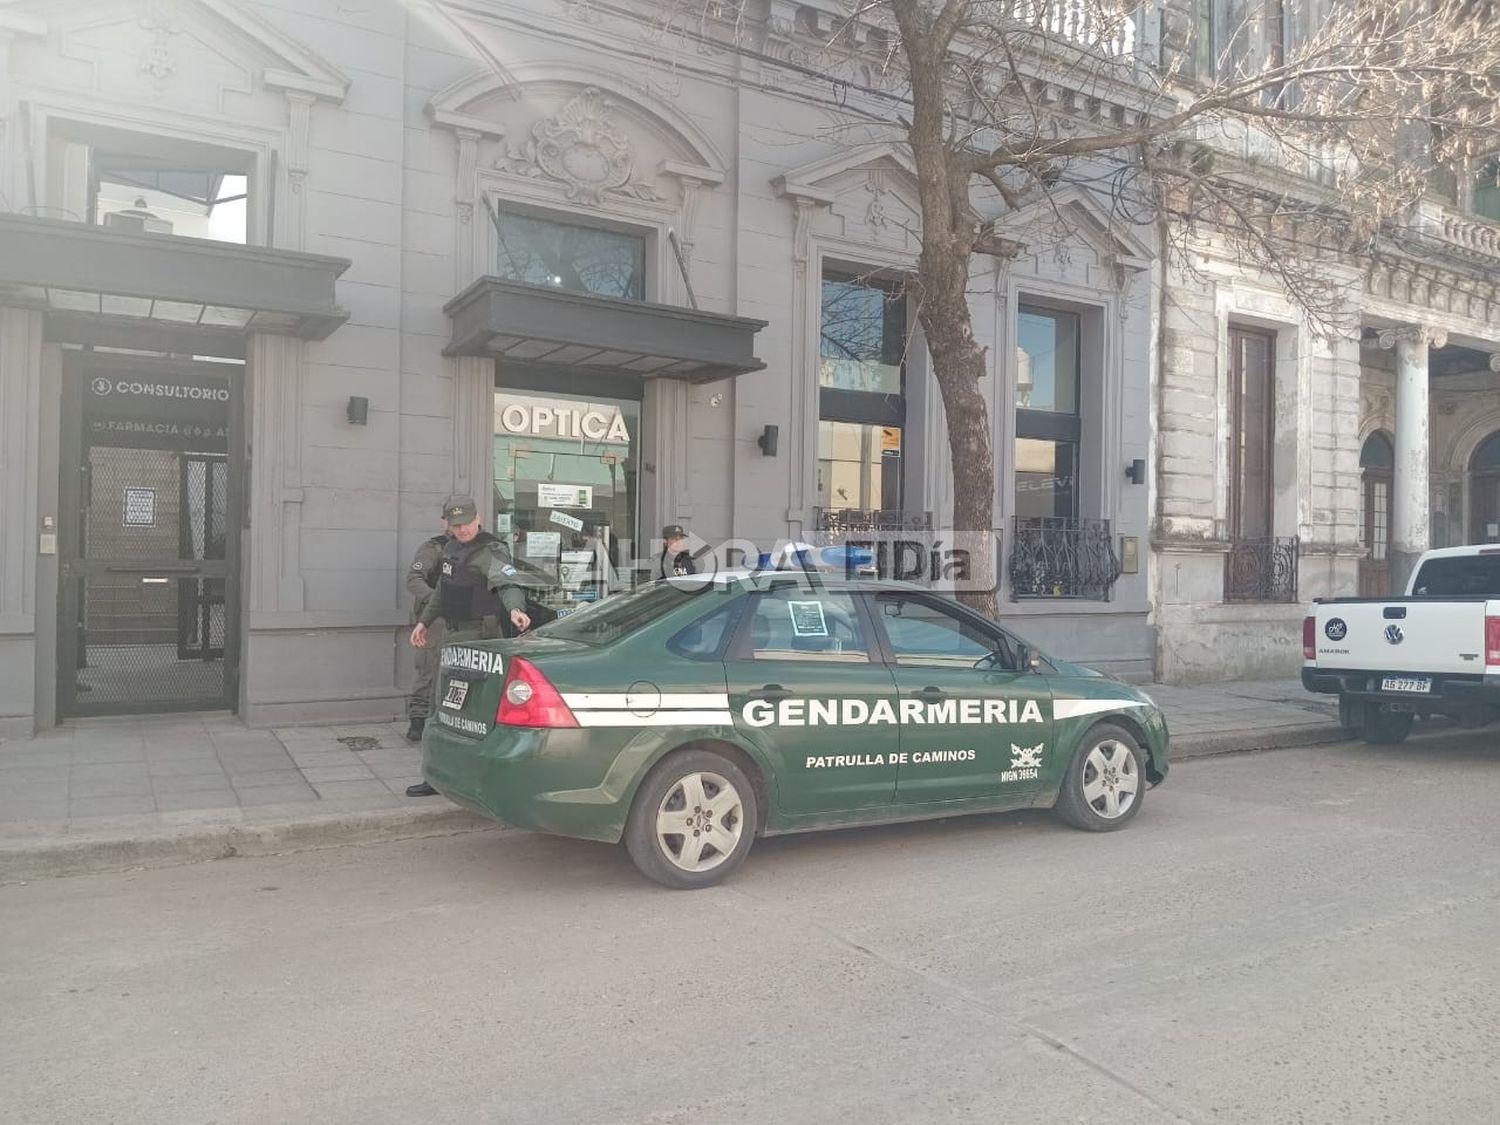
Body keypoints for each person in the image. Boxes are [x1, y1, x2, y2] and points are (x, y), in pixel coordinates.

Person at [406, 496, 532, 796]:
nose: (461, 530)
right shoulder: (449, 549)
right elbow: (441, 593)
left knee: (476, 711)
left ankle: (483, 778)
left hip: (480, 637)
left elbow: (508, 584)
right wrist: (424, 622)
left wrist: (516, 609)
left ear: (478, 520)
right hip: (453, 635)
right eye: (455, 525)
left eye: (465, 524)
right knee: (445, 708)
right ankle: (437, 776)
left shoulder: (491, 551)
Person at [402, 510, 452, 744]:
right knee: (428, 668)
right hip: (437, 619)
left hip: (469, 620)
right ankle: (418, 719)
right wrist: (435, 600)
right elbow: (414, 579)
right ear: (444, 521)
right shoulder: (435, 547)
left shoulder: (479, 549)